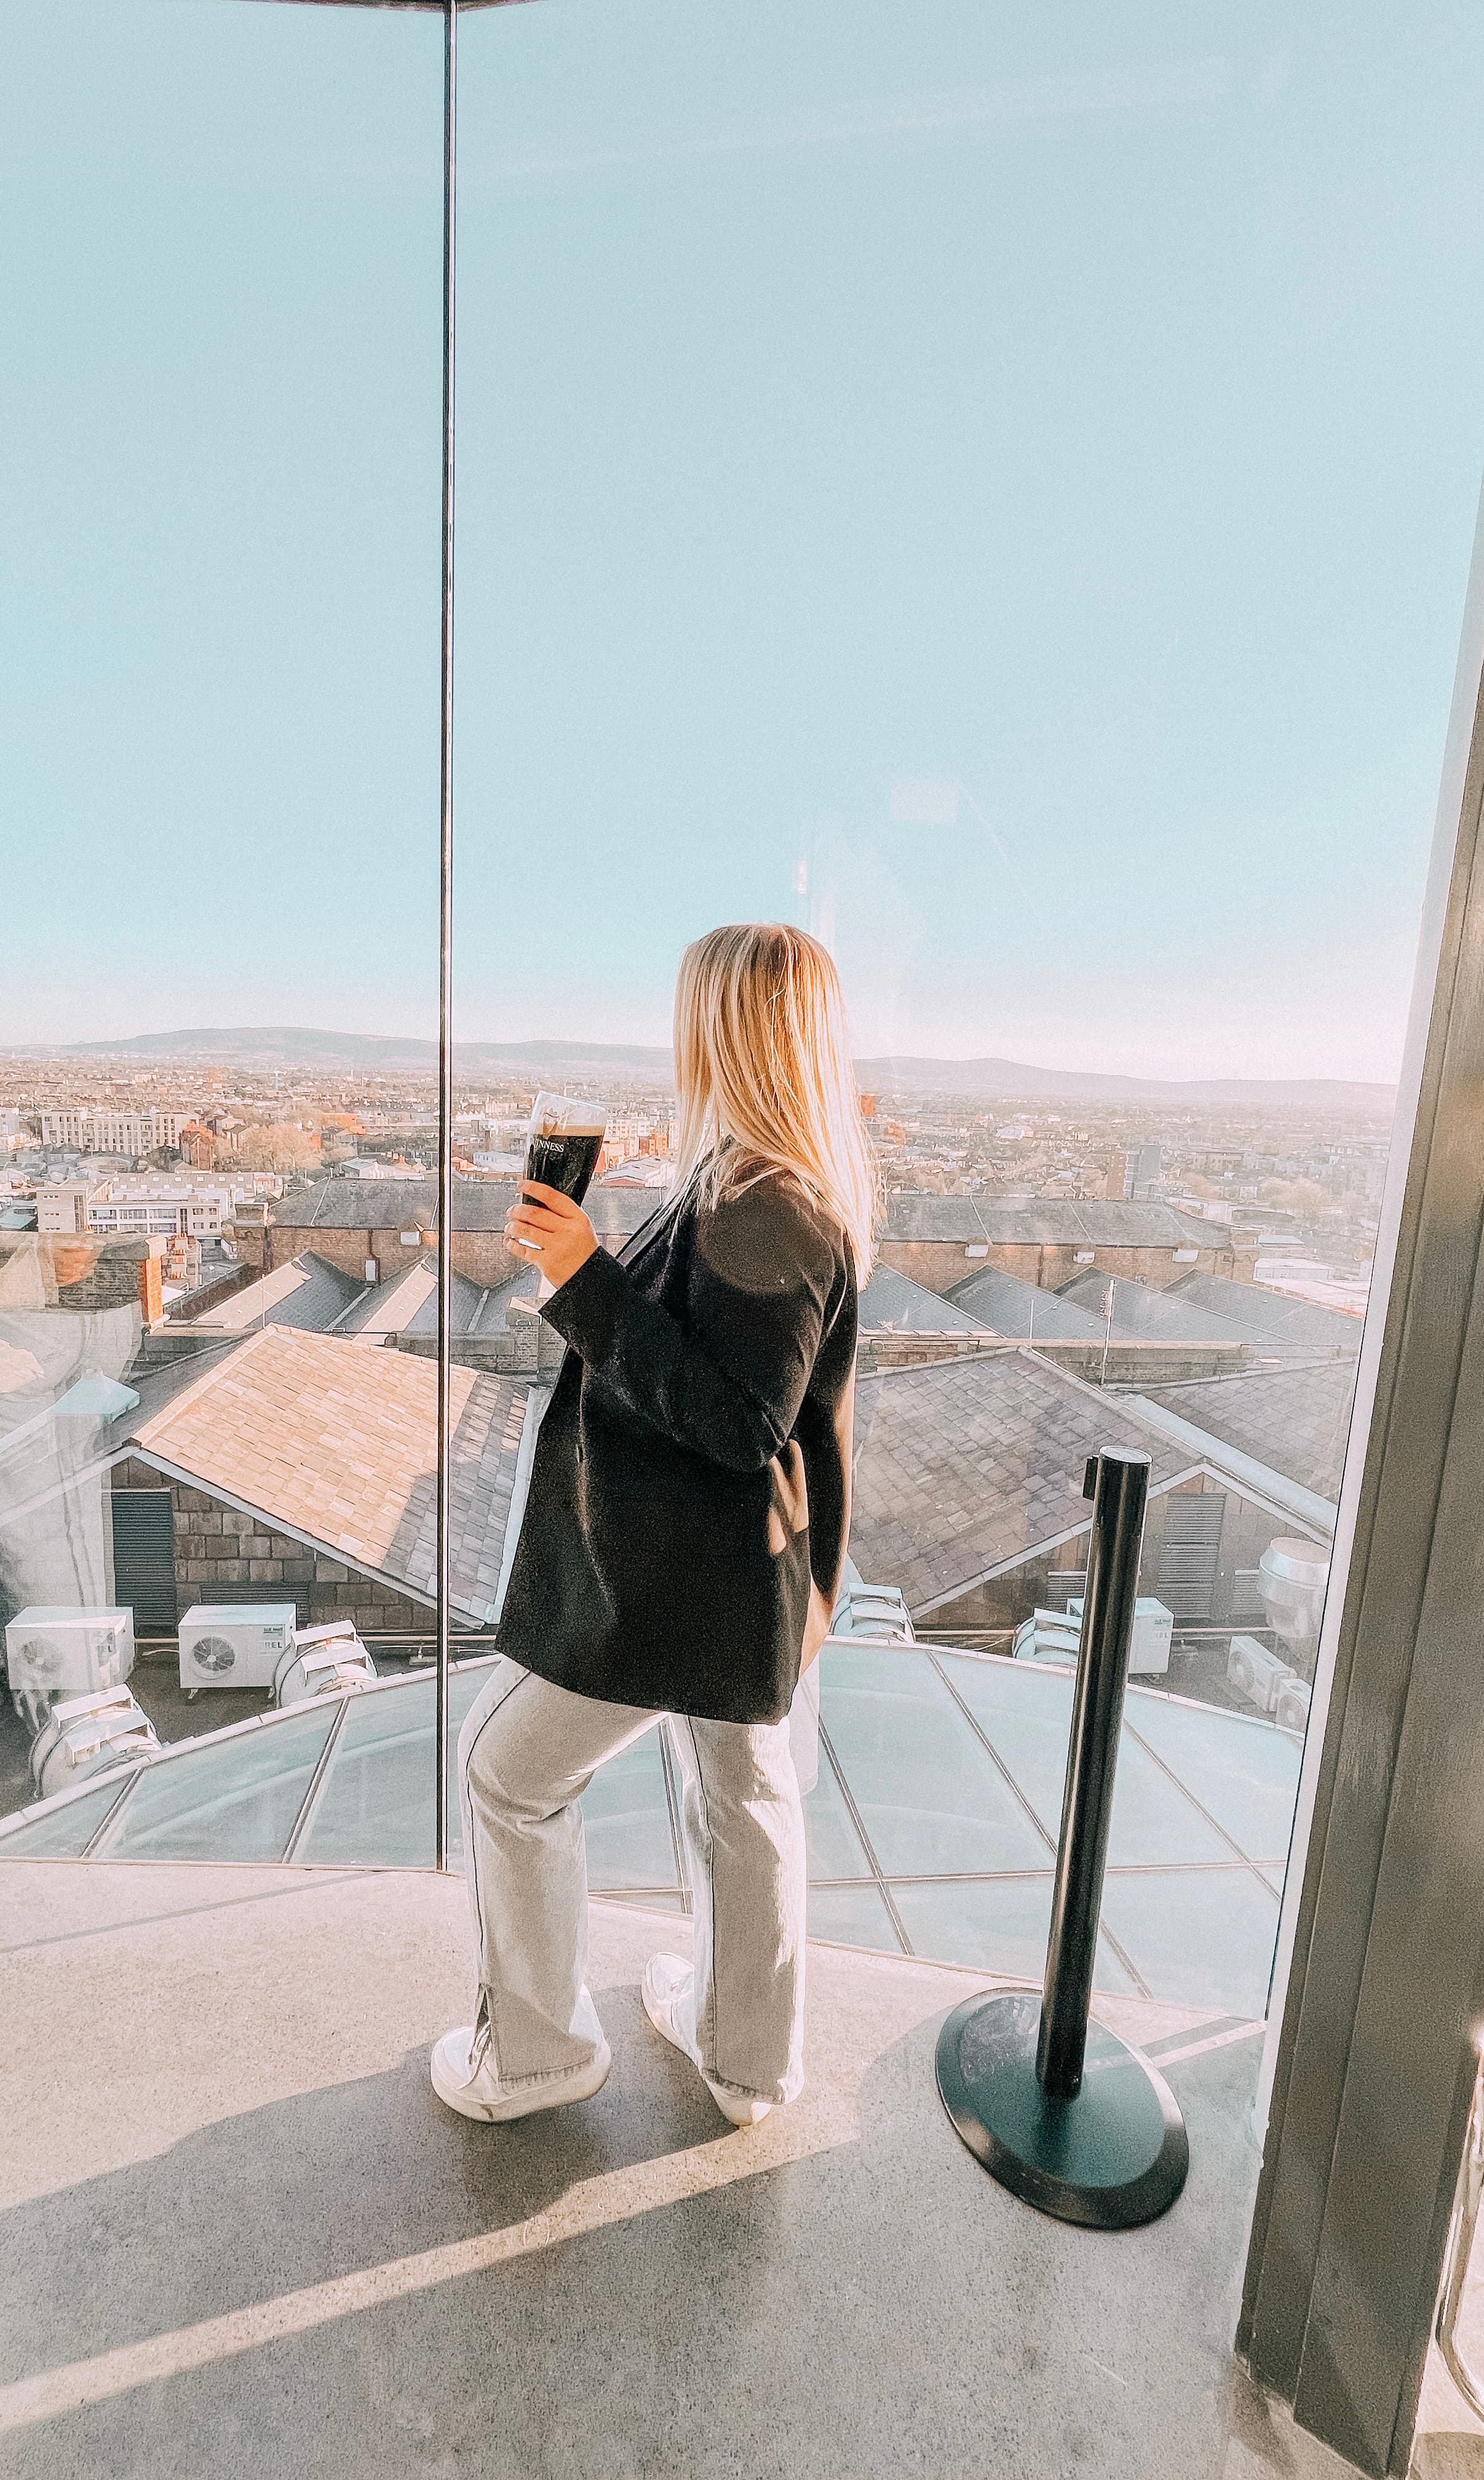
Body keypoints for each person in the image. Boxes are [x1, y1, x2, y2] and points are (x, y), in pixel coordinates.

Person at [432, 923, 875, 2128]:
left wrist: (583, 1274)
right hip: (747, 1577)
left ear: (725, 1029)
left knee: (506, 1775)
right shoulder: (770, 1182)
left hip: (676, 1577)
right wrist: (592, 1266)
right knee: (743, 1801)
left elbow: (736, 1421)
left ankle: (536, 2054)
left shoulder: (765, 1202)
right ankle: (745, 2060)